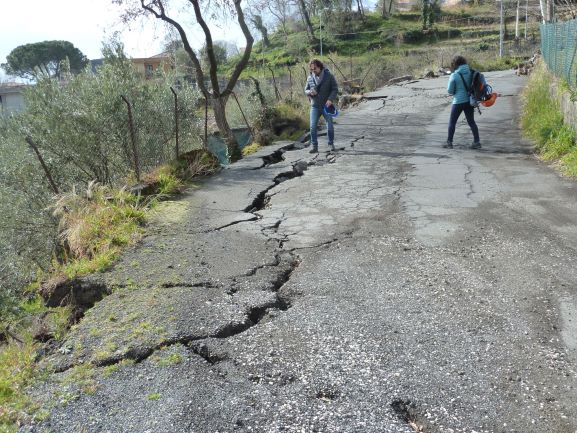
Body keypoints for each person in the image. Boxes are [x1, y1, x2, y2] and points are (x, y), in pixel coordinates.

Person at [444, 55, 481, 149]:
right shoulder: (471, 72)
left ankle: (449, 142)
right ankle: (477, 142)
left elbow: (450, 90)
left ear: (455, 64)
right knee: (471, 122)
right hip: (469, 101)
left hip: (458, 102)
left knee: (452, 122)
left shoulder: (454, 75)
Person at [304, 59, 338, 153]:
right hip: (314, 106)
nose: (313, 70)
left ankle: (331, 144)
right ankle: (314, 146)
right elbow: (305, 90)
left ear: (320, 67)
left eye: (314, 68)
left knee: (330, 126)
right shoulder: (310, 78)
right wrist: (310, 92)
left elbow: (335, 89)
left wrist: (330, 99)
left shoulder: (329, 76)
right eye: (311, 69)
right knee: (312, 126)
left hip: (326, 106)